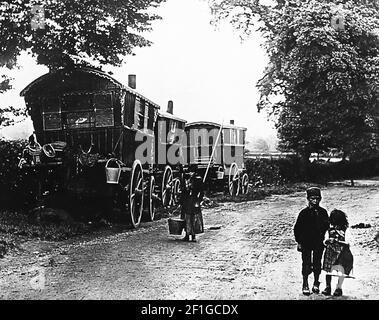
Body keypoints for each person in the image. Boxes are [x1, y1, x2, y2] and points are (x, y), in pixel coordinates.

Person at [294, 187, 329, 295]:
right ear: (308, 199)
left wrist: (326, 239)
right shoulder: (303, 213)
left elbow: (327, 226)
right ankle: (305, 284)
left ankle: (316, 283)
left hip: (318, 242)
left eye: (317, 198)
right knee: (306, 263)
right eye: (313, 198)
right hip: (306, 242)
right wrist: (299, 242)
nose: (315, 201)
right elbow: (297, 228)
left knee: (317, 263)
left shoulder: (323, 212)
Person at [322, 209, 354, 297]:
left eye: (338, 223)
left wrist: (337, 241)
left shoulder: (346, 230)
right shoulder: (329, 230)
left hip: (342, 253)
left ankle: (339, 288)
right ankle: (327, 287)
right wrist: (328, 241)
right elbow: (324, 241)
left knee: (341, 270)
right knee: (328, 270)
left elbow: (348, 242)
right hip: (330, 252)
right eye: (334, 223)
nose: (336, 226)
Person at [180, 174, 204, 242]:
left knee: (193, 218)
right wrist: (181, 201)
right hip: (186, 201)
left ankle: (193, 236)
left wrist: (199, 201)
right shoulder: (184, 179)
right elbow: (183, 192)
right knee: (186, 218)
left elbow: (201, 192)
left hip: (194, 201)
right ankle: (187, 235)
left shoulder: (197, 180)